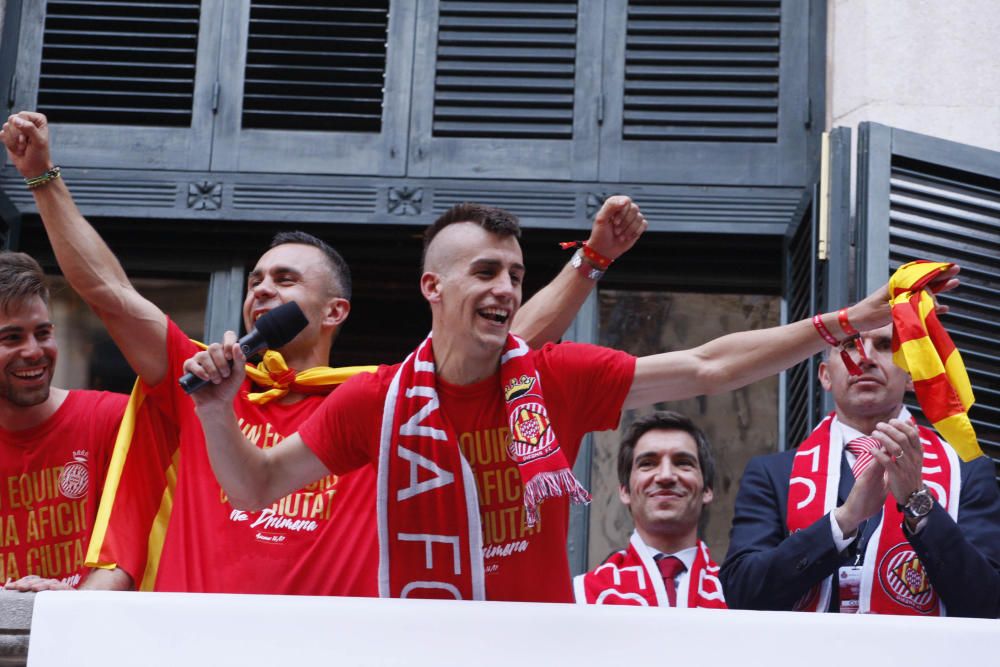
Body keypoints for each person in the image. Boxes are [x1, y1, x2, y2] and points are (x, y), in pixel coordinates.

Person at [0, 110, 648, 594]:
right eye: (255, 280)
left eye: (285, 280)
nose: (262, 290)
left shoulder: (390, 396)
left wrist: (589, 263)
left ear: (336, 311)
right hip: (194, 646)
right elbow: (107, 292)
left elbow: (508, 339)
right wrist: (43, 178)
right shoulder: (202, 379)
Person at [184, 202, 956, 603]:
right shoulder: (374, 400)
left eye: (515, 275)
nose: (504, 289)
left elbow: (708, 364)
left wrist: (848, 320)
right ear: (433, 287)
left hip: (534, 644)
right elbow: (252, 485)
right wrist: (219, 408)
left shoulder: (553, 377)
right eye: (485, 272)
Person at [721, 325, 1000, 617]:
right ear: (826, 375)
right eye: (850, 345)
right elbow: (743, 594)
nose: (865, 358)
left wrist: (919, 502)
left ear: (910, 375)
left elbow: (988, 604)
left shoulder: (965, 472)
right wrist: (842, 522)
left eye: (883, 345)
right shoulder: (772, 474)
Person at [0, 252, 127, 591]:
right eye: (11, 338)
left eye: (42, 333)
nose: (33, 351)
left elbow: (137, 549)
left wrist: (72, 606)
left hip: (87, 634)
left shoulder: (111, 419)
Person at [573, 411, 726, 608]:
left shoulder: (734, 589)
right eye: (647, 464)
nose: (665, 476)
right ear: (625, 491)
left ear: (707, 489)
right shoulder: (583, 594)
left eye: (683, 463)